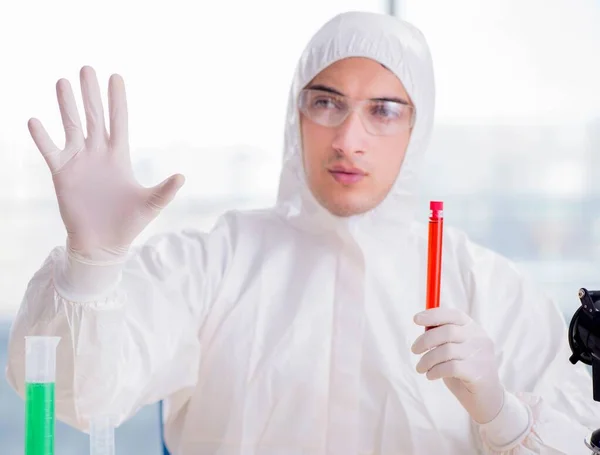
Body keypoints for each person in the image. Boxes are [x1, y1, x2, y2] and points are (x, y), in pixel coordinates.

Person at [5, 10, 599, 455]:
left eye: (384, 110)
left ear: (418, 127)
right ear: (297, 114)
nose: (348, 139)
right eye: (326, 102)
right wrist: (93, 263)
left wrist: (500, 412)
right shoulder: (216, 262)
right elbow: (81, 396)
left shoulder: (489, 289)